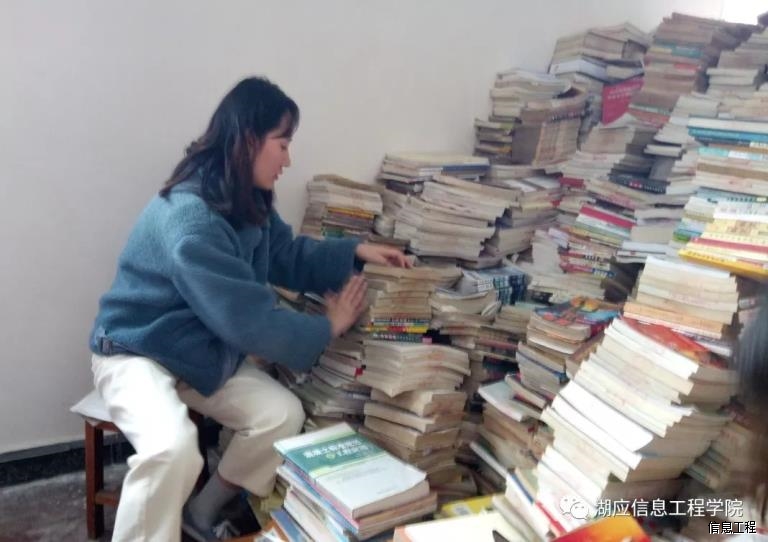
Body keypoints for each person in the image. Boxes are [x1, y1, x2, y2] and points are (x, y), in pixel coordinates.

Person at [88, 76, 409, 542]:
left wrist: (354, 253)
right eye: (283, 143)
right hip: (135, 350)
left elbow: (285, 255)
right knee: (171, 449)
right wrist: (327, 326)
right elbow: (250, 322)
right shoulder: (191, 220)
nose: (288, 159)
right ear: (248, 141)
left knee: (280, 414)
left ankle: (199, 516)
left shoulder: (244, 197)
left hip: (197, 350)